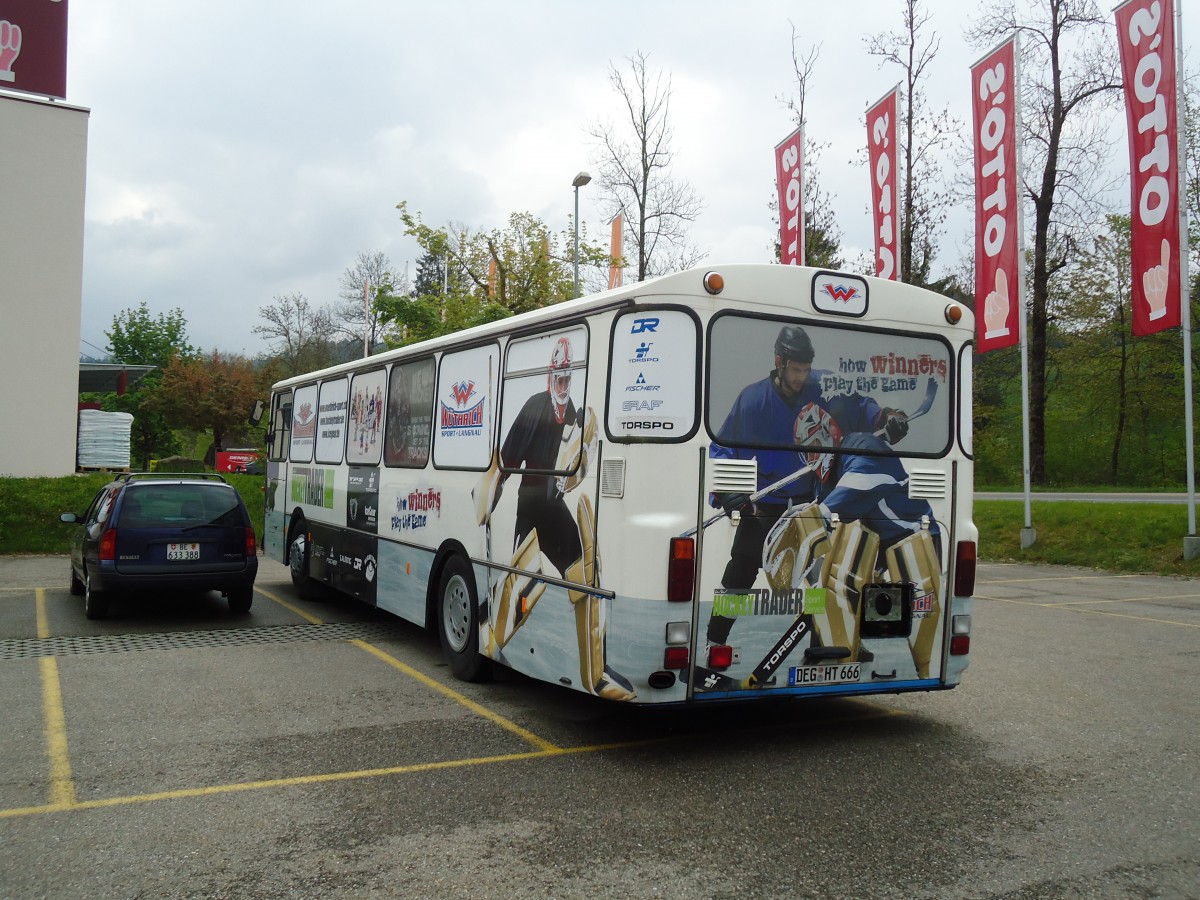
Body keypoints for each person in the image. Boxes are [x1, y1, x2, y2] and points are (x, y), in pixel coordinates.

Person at [706, 325, 906, 645]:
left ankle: (821, 645)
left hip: (807, 503)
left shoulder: (819, 387)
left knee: (820, 576)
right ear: (779, 362)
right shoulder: (752, 399)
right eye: (796, 369)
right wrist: (725, 490)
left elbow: (855, 403)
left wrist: (884, 417)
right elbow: (722, 448)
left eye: (806, 369)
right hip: (762, 505)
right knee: (741, 572)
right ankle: (714, 642)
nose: (801, 376)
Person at [474, 336, 636, 701]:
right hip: (530, 504)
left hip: (555, 507)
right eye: (557, 375)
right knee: (518, 585)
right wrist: (489, 495)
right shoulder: (534, 406)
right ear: (549, 375)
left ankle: (596, 673)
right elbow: (507, 460)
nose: (562, 383)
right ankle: (488, 637)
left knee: (586, 575)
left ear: (571, 376)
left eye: (567, 376)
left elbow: (577, 465)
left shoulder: (576, 414)